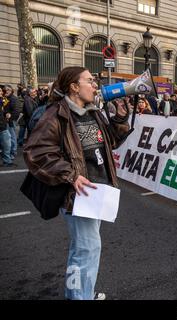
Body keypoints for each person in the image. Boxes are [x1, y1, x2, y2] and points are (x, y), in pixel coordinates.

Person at [23, 66, 130, 300]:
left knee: (85, 249)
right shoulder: (56, 114)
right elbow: (36, 151)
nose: (95, 85)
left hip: (96, 190)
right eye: (90, 81)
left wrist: (120, 117)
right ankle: (79, 297)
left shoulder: (93, 112)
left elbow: (110, 141)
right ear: (74, 87)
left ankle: (82, 294)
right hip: (78, 192)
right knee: (86, 250)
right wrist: (70, 175)